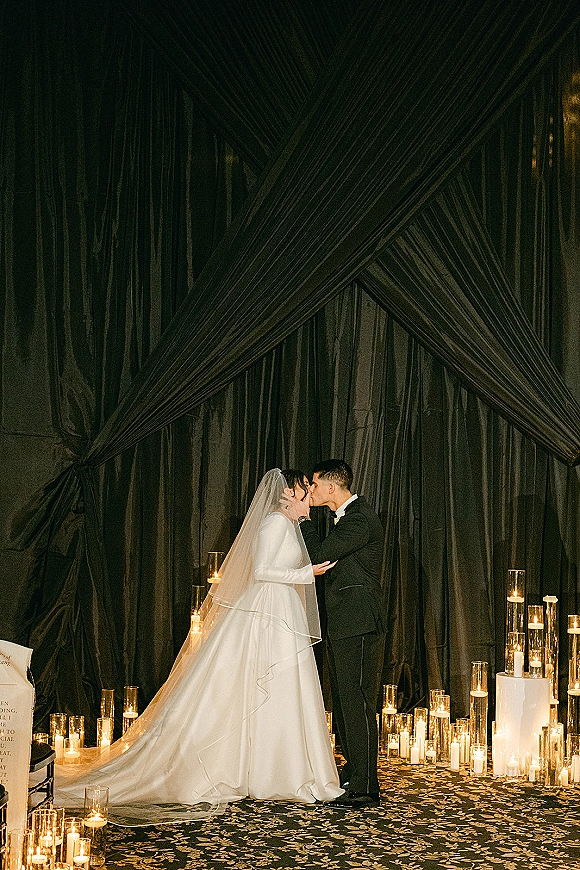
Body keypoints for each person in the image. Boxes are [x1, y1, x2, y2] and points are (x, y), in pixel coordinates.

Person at [55, 469, 342, 821]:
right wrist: (304, 574)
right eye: (304, 490)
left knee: (284, 688)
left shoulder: (290, 526)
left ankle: (274, 767)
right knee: (259, 684)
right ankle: (256, 770)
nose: (309, 496)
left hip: (280, 611)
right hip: (265, 611)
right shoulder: (273, 524)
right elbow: (262, 570)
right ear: (288, 494)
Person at [282, 459, 386, 809]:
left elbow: (321, 555)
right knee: (344, 700)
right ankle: (355, 770)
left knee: (357, 700)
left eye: (313, 484)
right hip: (345, 621)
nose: (310, 490)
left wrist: (303, 518)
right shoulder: (348, 518)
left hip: (359, 622)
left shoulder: (359, 518)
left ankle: (367, 787)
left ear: (330, 487)